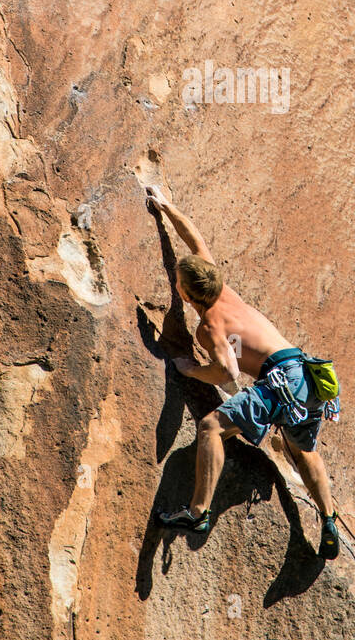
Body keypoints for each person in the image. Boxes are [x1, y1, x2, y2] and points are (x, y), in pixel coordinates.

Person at [146, 186, 340, 559]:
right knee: (304, 451)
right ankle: (328, 517)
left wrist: (190, 371)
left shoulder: (210, 327)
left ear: (186, 295)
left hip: (280, 382)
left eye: (177, 282)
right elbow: (194, 240)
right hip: (307, 376)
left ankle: (198, 513)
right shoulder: (219, 285)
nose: (176, 281)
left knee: (210, 427)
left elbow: (226, 372)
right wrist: (166, 207)